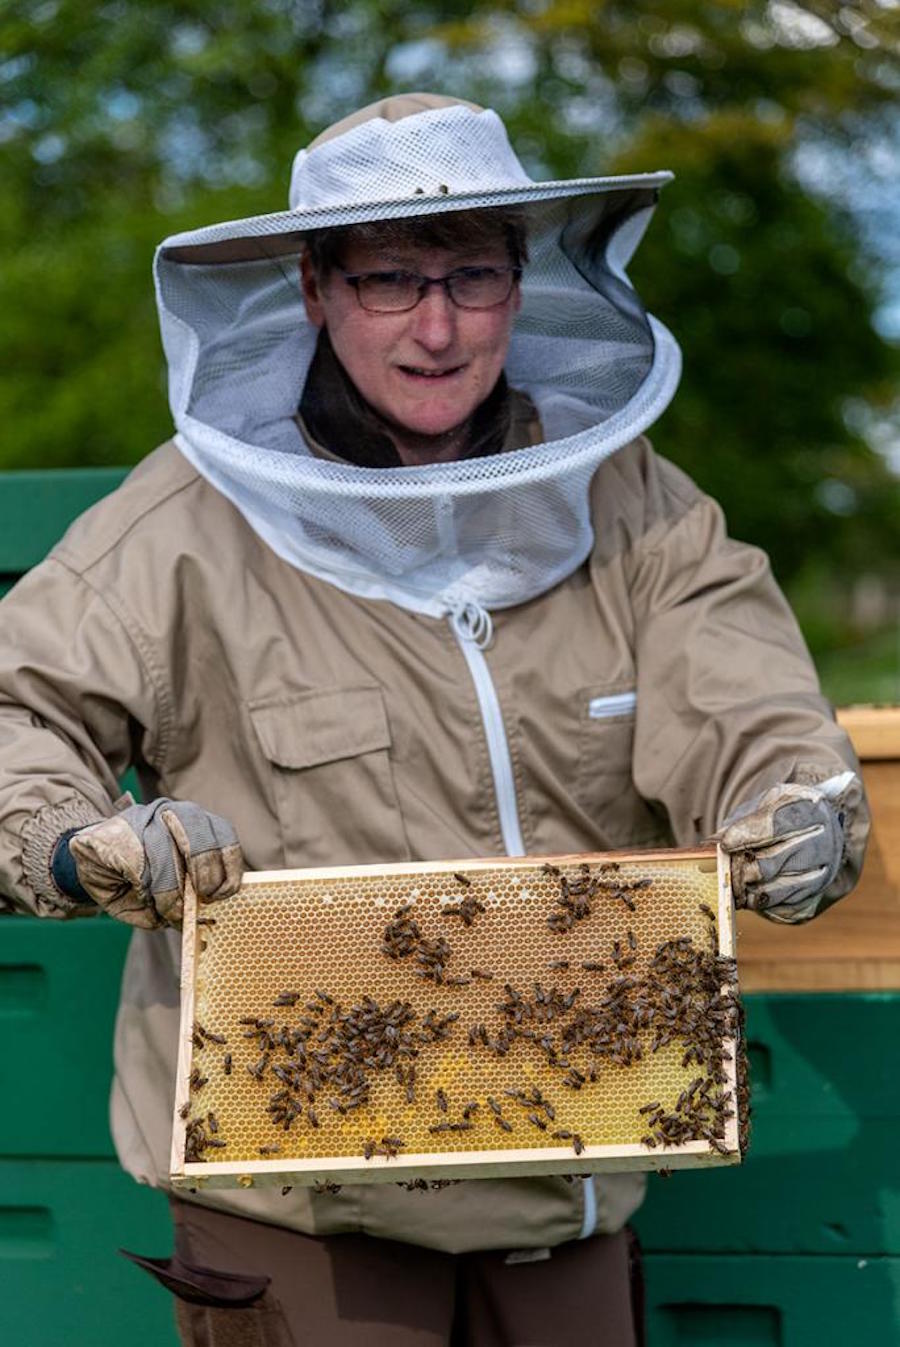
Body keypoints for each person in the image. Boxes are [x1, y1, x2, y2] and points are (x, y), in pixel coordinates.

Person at [0, 93, 868, 1346]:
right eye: (391, 280)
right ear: (312, 288)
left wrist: (797, 806)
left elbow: (752, 705)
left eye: (473, 274)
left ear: (526, 285)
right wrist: (76, 839)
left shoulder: (636, 508)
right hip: (299, 1224)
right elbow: (16, 708)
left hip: (573, 1197)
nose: (439, 324)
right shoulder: (178, 531)